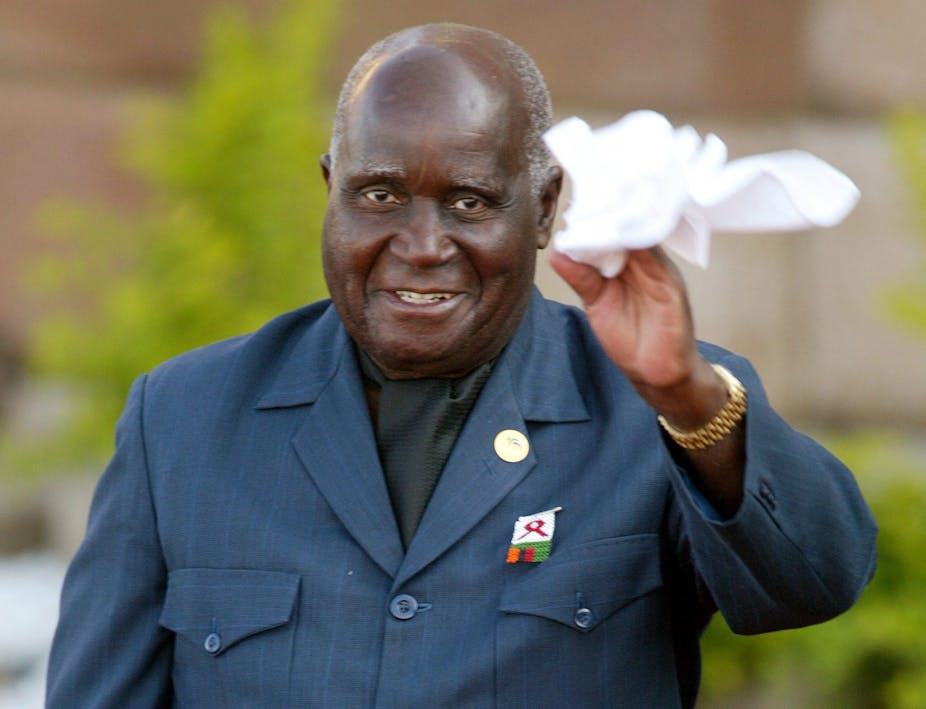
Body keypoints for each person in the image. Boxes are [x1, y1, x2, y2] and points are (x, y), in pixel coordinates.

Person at [47, 23, 876, 708]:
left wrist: (687, 397)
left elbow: (816, 581)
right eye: (379, 195)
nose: (420, 246)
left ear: (545, 206)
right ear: (331, 189)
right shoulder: (185, 418)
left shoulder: (656, 408)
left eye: (469, 202)